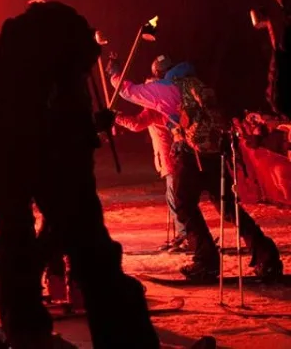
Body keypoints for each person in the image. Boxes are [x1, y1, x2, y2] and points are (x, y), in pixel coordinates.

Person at [0, 1, 159, 349]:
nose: (80, 73)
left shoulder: (35, 75)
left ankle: (34, 332)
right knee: (73, 249)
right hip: (14, 162)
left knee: (59, 245)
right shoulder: (25, 73)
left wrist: (93, 126)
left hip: (28, 163)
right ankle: (35, 335)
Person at [111, 55, 283, 282]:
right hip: (213, 152)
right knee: (229, 208)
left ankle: (206, 260)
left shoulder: (167, 88)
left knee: (182, 204)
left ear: (160, 74)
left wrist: (114, 74)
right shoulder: (196, 82)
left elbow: (129, 92)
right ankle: (266, 256)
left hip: (192, 154)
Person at [114, 83, 188, 251]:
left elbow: (136, 124)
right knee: (173, 198)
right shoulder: (164, 106)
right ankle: (182, 233)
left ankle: (186, 234)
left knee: (176, 199)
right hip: (170, 159)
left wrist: (116, 117)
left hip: (171, 160)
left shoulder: (155, 109)